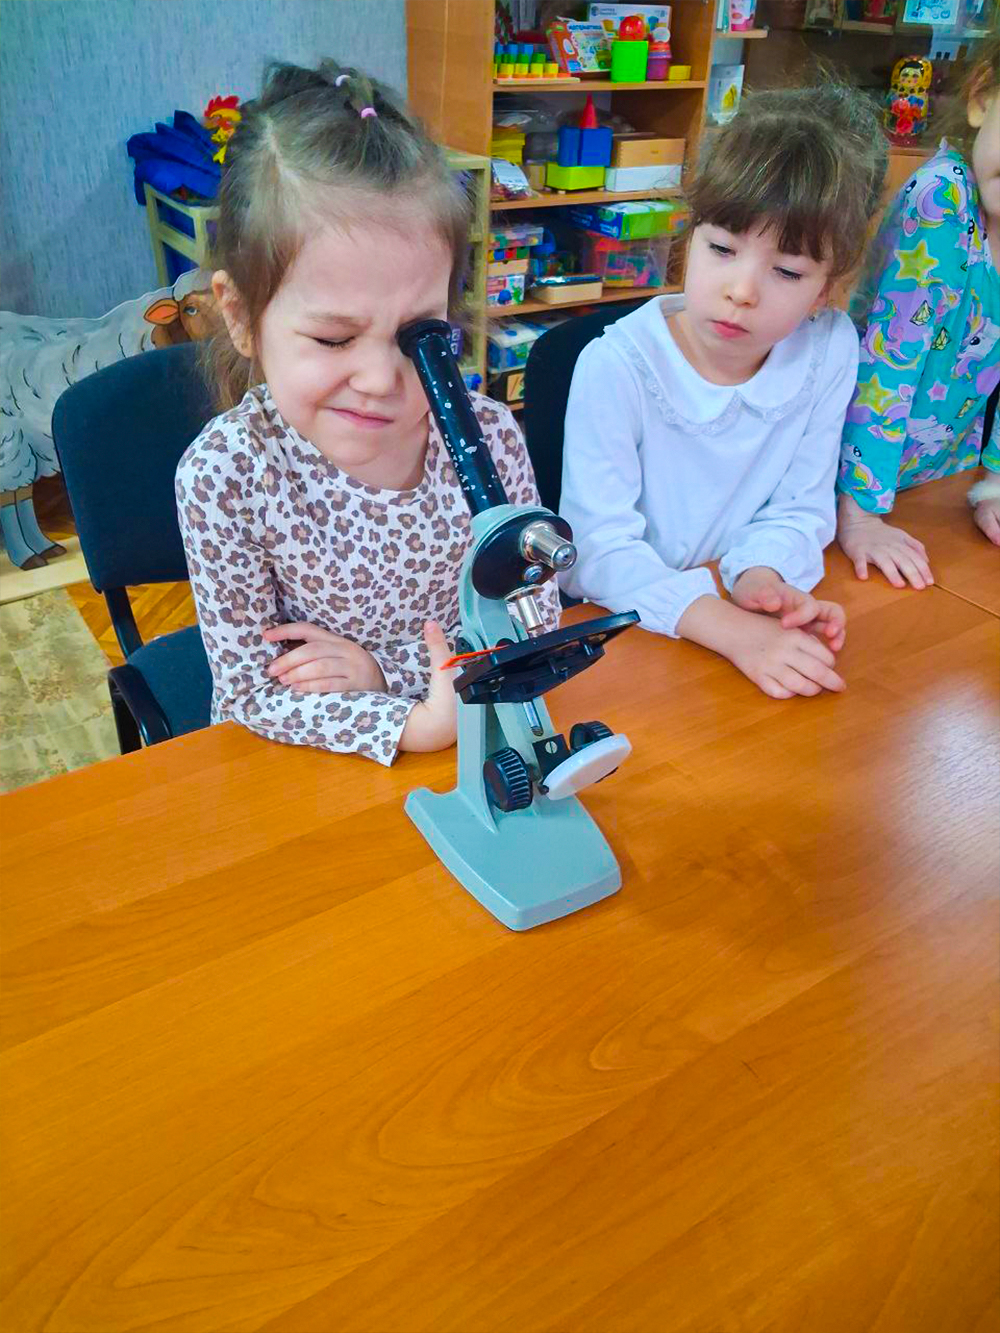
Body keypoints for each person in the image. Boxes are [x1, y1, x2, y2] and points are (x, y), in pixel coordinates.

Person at [175, 60, 558, 765]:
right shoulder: (226, 474)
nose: (382, 380)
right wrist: (413, 722)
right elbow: (251, 694)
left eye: (420, 336)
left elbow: (535, 613)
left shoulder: (491, 437)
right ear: (241, 316)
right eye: (333, 339)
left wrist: (387, 673)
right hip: (306, 769)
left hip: (478, 736)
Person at [559, 86, 886, 699]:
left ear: (825, 290)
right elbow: (596, 551)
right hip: (633, 642)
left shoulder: (829, 347)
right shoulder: (615, 367)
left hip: (729, 630)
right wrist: (728, 627)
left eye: (787, 271)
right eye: (721, 249)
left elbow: (801, 508)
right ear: (690, 238)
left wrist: (760, 573)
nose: (742, 290)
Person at [837, 35, 1000, 586]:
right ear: (982, 97)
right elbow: (890, 362)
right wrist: (860, 514)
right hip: (843, 481)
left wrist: (994, 485)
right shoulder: (943, 201)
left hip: (936, 482)